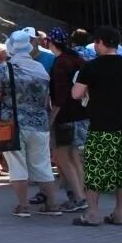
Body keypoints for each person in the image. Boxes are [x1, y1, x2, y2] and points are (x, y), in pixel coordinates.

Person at [71, 27, 122, 228]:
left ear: (100, 42)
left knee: (96, 171)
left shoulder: (91, 67)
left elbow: (76, 94)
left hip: (101, 127)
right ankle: (120, 213)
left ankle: (93, 213)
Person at [0, 30, 61, 220]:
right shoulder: (40, 69)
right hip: (40, 123)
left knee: (17, 165)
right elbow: (46, 99)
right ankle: (52, 204)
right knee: (42, 165)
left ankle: (23, 205)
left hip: (12, 123)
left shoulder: (4, 69)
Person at [47, 28, 89, 214]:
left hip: (66, 115)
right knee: (74, 156)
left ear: (50, 42)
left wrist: (51, 119)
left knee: (61, 156)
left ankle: (79, 197)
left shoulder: (60, 63)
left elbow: (60, 96)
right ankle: (83, 196)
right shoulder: (77, 59)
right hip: (81, 112)